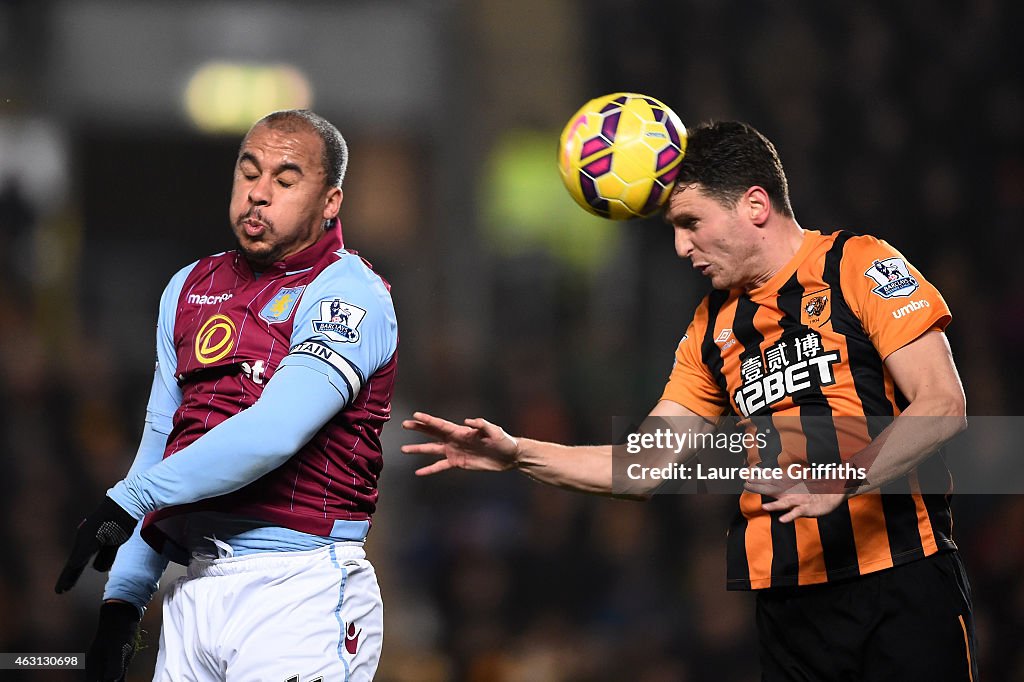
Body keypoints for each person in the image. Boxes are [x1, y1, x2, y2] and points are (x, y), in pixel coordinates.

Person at [403, 121, 979, 681]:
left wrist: (838, 477)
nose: (681, 246)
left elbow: (942, 403)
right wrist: (518, 454)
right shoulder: (709, 330)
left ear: (754, 205)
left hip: (901, 577)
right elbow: (642, 465)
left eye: (690, 223)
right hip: (790, 606)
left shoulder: (859, 264)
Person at [55, 109, 398, 681]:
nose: (259, 194)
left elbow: (276, 430)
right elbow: (162, 445)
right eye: (249, 173)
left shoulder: (349, 293)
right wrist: (124, 602)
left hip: (299, 590)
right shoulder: (187, 288)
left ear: (330, 202)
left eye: (285, 181)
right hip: (196, 591)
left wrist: (130, 497)